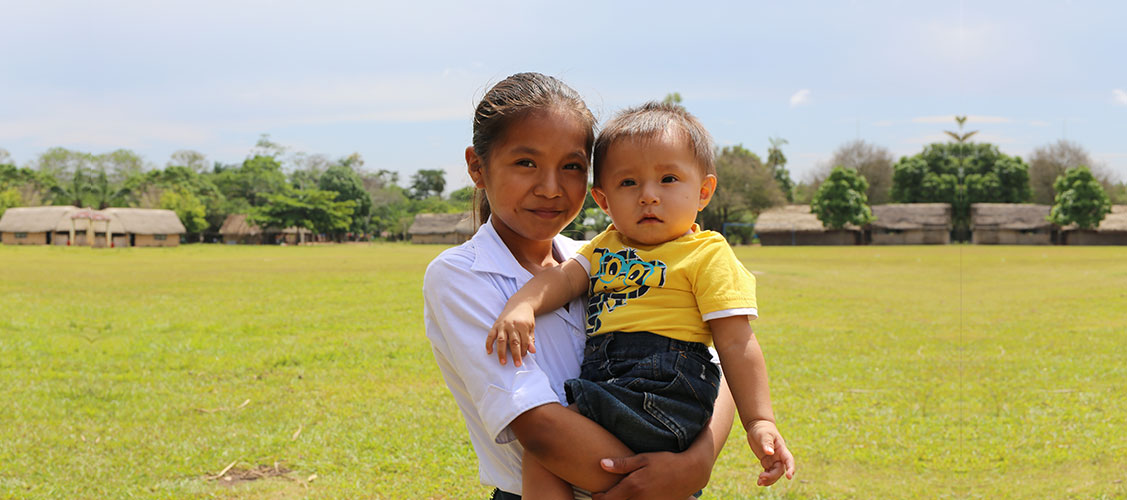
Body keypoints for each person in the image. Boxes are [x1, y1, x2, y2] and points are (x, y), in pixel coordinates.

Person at [423, 73, 736, 500]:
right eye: (525, 162)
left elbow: (715, 363)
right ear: (478, 167)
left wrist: (696, 463)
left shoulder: (605, 256)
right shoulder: (463, 275)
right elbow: (538, 426)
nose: (550, 188)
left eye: (571, 166)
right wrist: (650, 487)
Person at [487, 102, 796, 499]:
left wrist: (759, 420)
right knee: (547, 449)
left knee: (548, 445)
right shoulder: (603, 248)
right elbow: (561, 280)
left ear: (703, 191)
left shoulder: (706, 253)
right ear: (603, 200)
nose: (648, 196)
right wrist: (522, 306)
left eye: (668, 179)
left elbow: (736, 342)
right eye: (628, 183)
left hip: (669, 385)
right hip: (609, 380)